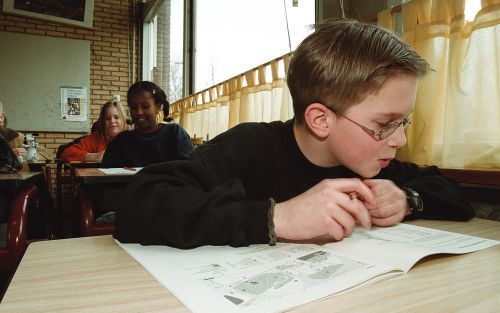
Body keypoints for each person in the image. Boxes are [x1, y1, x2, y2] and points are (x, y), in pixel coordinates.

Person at [113, 18, 474, 248]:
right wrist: (276, 218)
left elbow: (453, 193)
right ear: (320, 119)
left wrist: (408, 198)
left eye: (403, 122)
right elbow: (137, 205)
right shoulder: (250, 146)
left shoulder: (369, 161)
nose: (400, 139)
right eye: (384, 125)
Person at [101, 81, 193, 167]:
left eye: (145, 106)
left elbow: (188, 171)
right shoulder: (121, 141)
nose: (139, 112)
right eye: (134, 107)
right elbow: (105, 176)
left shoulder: (174, 134)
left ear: (158, 107)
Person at [61, 101, 128, 162]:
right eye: (107, 119)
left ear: (123, 120)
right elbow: (66, 154)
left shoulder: (131, 139)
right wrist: (94, 156)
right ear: (103, 122)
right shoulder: (95, 138)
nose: (112, 121)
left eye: (116, 117)